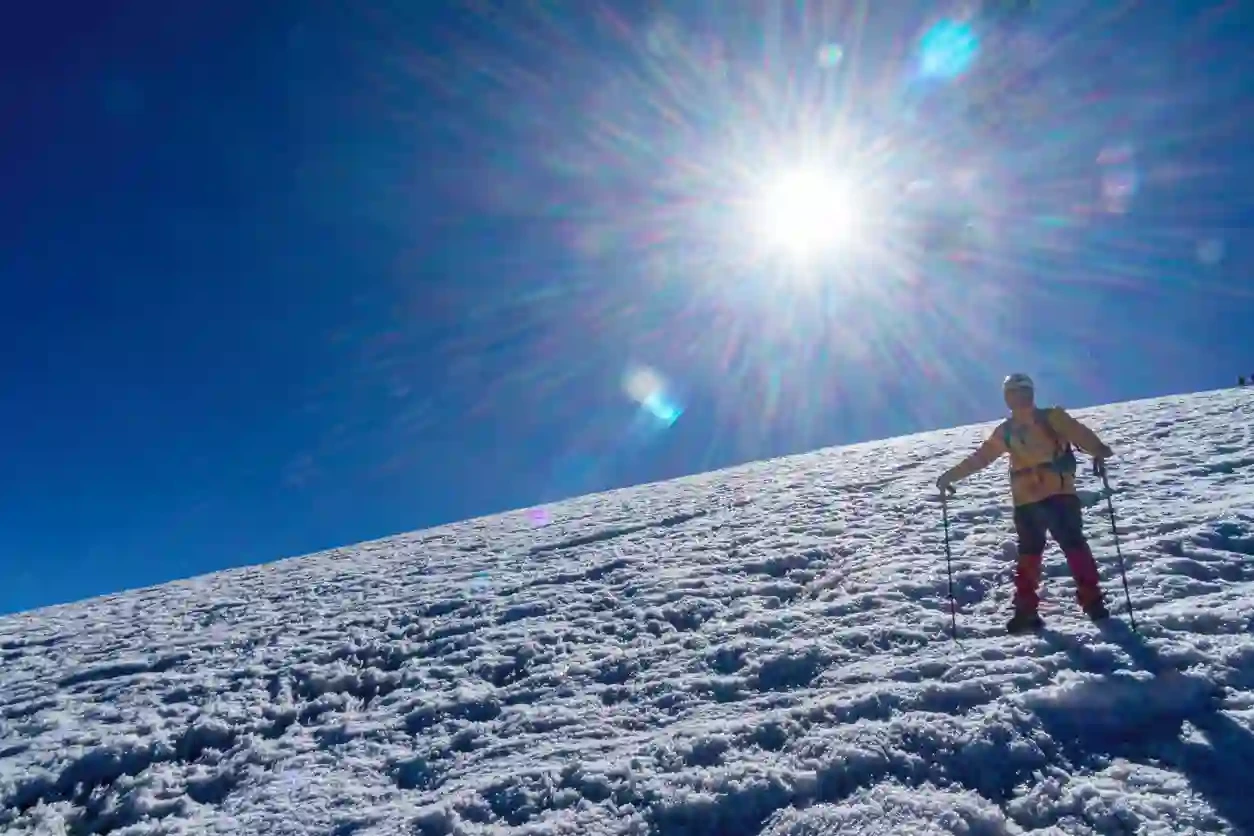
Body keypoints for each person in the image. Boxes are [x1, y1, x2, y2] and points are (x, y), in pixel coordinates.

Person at [936, 373, 1115, 633]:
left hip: (1049, 497)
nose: (1019, 398)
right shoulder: (1012, 429)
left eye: (1022, 392)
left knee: (1052, 549)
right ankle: (1063, 605)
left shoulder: (1049, 418)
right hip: (1035, 500)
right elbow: (981, 457)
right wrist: (950, 476)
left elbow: (1080, 434)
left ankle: (1049, 607)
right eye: (1014, 393)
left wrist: (1098, 450)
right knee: (1049, 550)